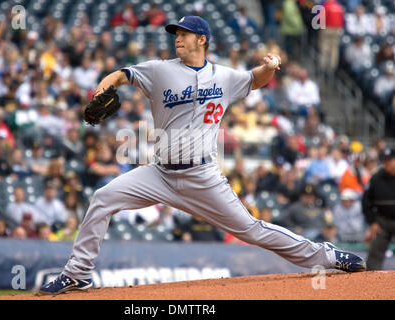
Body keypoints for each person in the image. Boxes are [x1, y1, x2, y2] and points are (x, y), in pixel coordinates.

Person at [40, 15, 366, 295]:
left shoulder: (223, 76)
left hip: (202, 176)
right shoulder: (159, 70)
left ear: (202, 39)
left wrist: (270, 67)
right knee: (103, 197)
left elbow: (254, 79)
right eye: (175, 35)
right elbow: (123, 74)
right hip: (160, 173)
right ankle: (78, 273)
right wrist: (102, 87)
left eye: (183, 35)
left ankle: (327, 256)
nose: (177, 39)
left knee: (251, 230)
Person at [362, 148, 395, 270]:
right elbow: (366, 202)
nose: (387, 163)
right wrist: (372, 222)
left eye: (390, 160)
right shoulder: (376, 178)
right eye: (385, 161)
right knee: (374, 255)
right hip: (382, 221)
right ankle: (370, 285)